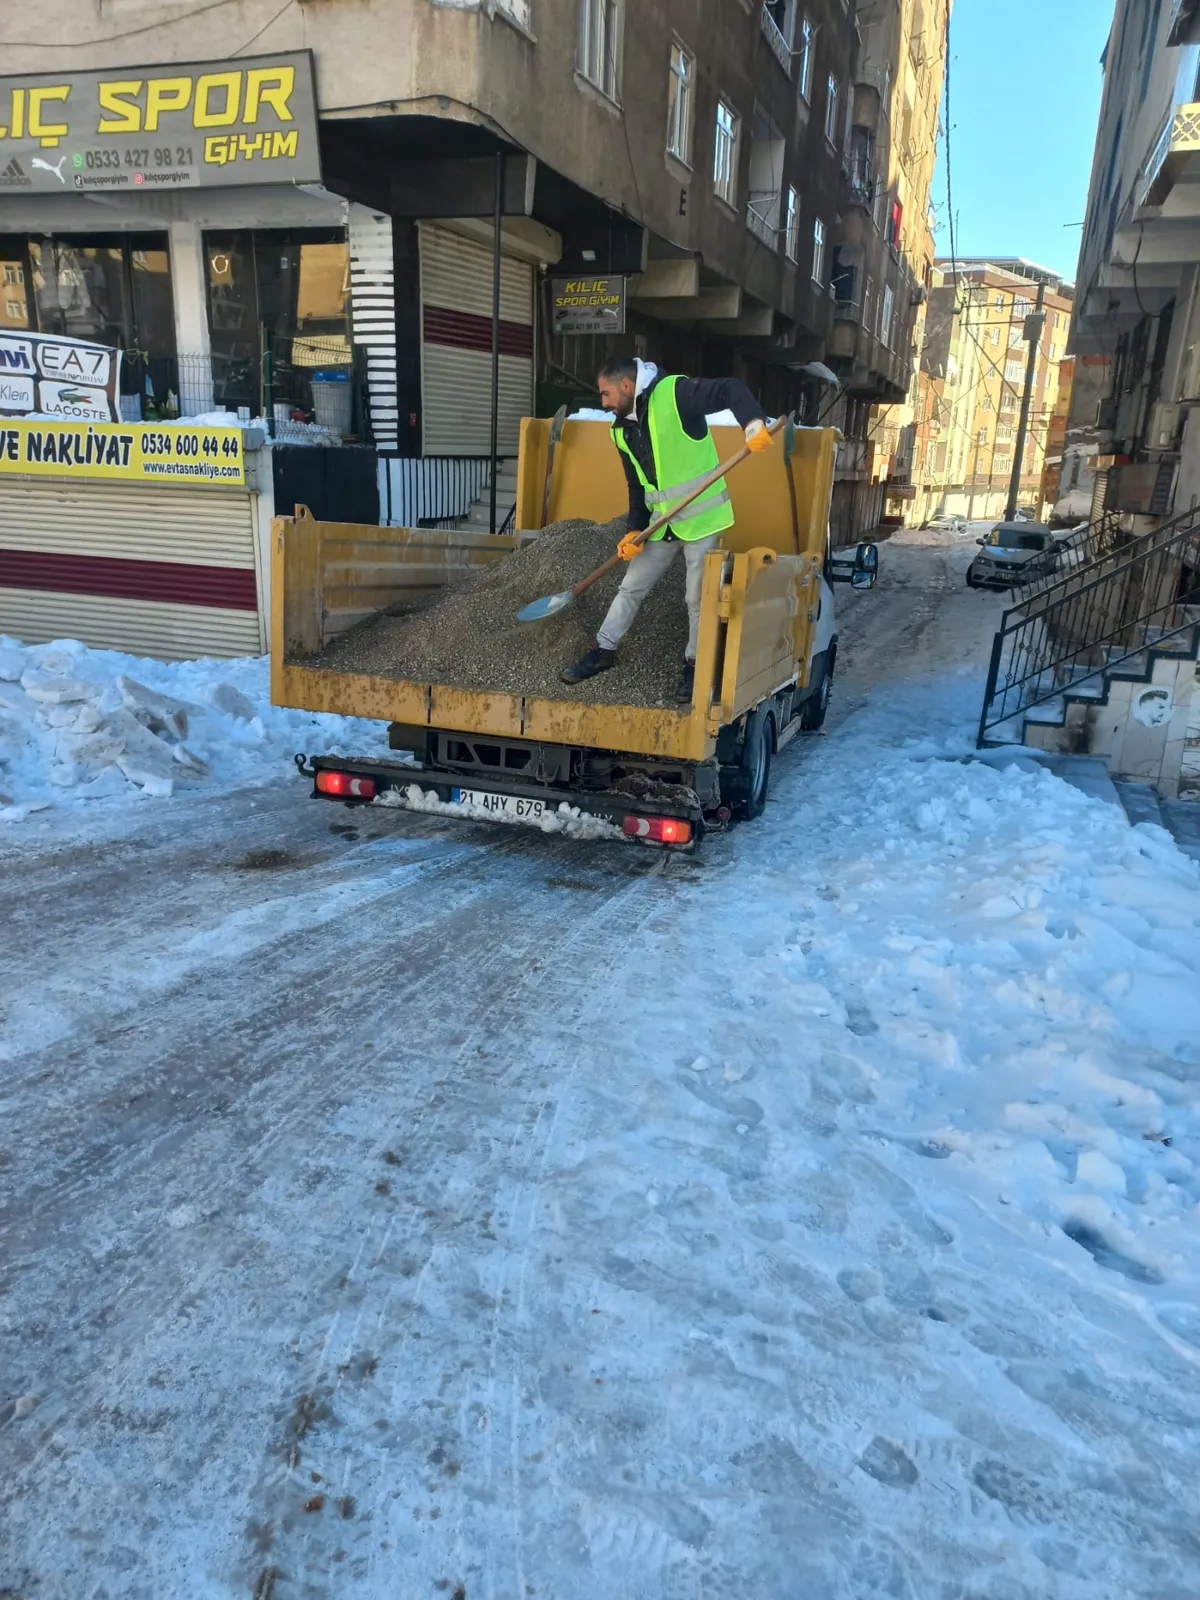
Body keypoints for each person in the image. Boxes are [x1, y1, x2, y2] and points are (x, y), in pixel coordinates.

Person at [560, 357, 772, 703]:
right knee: (630, 587)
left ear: (626, 386)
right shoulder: (621, 430)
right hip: (662, 524)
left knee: (697, 599)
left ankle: (694, 665)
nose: (604, 402)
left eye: (606, 394)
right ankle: (604, 649)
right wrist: (634, 529)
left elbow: (730, 388)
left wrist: (752, 423)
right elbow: (636, 485)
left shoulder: (675, 394)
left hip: (703, 521)